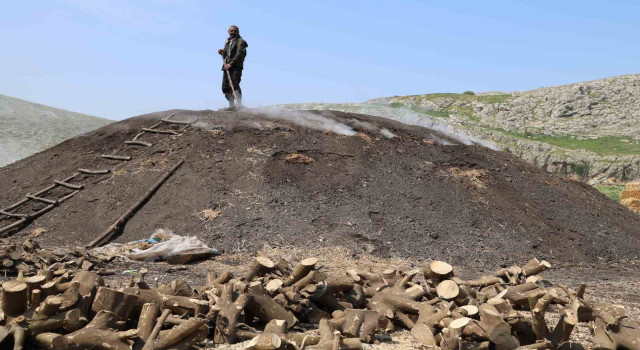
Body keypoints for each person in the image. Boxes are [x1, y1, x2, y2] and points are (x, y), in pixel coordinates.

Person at [218, 25, 248, 110]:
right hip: (227, 66)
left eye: (235, 31)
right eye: (231, 31)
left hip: (236, 66)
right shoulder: (227, 41)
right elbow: (228, 53)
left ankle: (239, 105)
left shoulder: (241, 42)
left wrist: (231, 64)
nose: (233, 32)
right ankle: (231, 105)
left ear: (238, 32)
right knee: (225, 87)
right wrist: (222, 51)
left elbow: (239, 54)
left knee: (234, 84)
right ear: (228, 31)